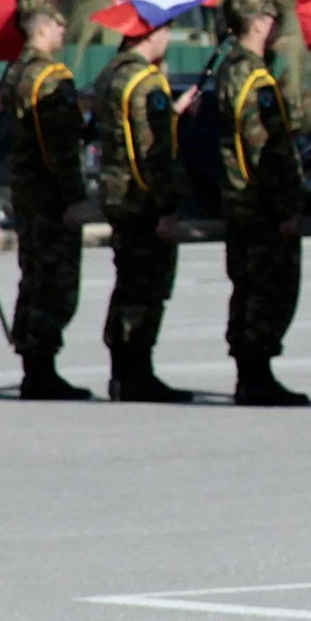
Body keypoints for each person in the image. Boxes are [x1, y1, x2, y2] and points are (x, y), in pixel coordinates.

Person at [215, 0, 309, 406]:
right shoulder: (253, 77)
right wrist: (283, 207)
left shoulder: (232, 70)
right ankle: (256, 374)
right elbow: (262, 149)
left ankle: (251, 372)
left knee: (248, 285)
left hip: (242, 203)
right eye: (271, 19)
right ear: (257, 23)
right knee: (269, 288)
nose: (276, 28)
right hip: (261, 207)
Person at [94, 21, 195, 403]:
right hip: (144, 200)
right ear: (149, 32)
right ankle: (137, 373)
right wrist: (167, 207)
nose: (167, 38)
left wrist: (170, 113)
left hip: (120, 195)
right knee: (146, 288)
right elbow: (154, 152)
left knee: (128, 283)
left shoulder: (112, 74)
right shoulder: (147, 82)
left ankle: (124, 371)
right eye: (165, 30)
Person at [2, 0, 94, 400]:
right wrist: (75, 197)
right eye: (57, 25)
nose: (62, 32)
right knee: (55, 283)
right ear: (41, 28)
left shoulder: (16, 71)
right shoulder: (49, 76)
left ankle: (33, 365)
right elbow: (60, 146)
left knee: (33, 276)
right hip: (50, 197)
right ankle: (42, 369)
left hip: (27, 194)